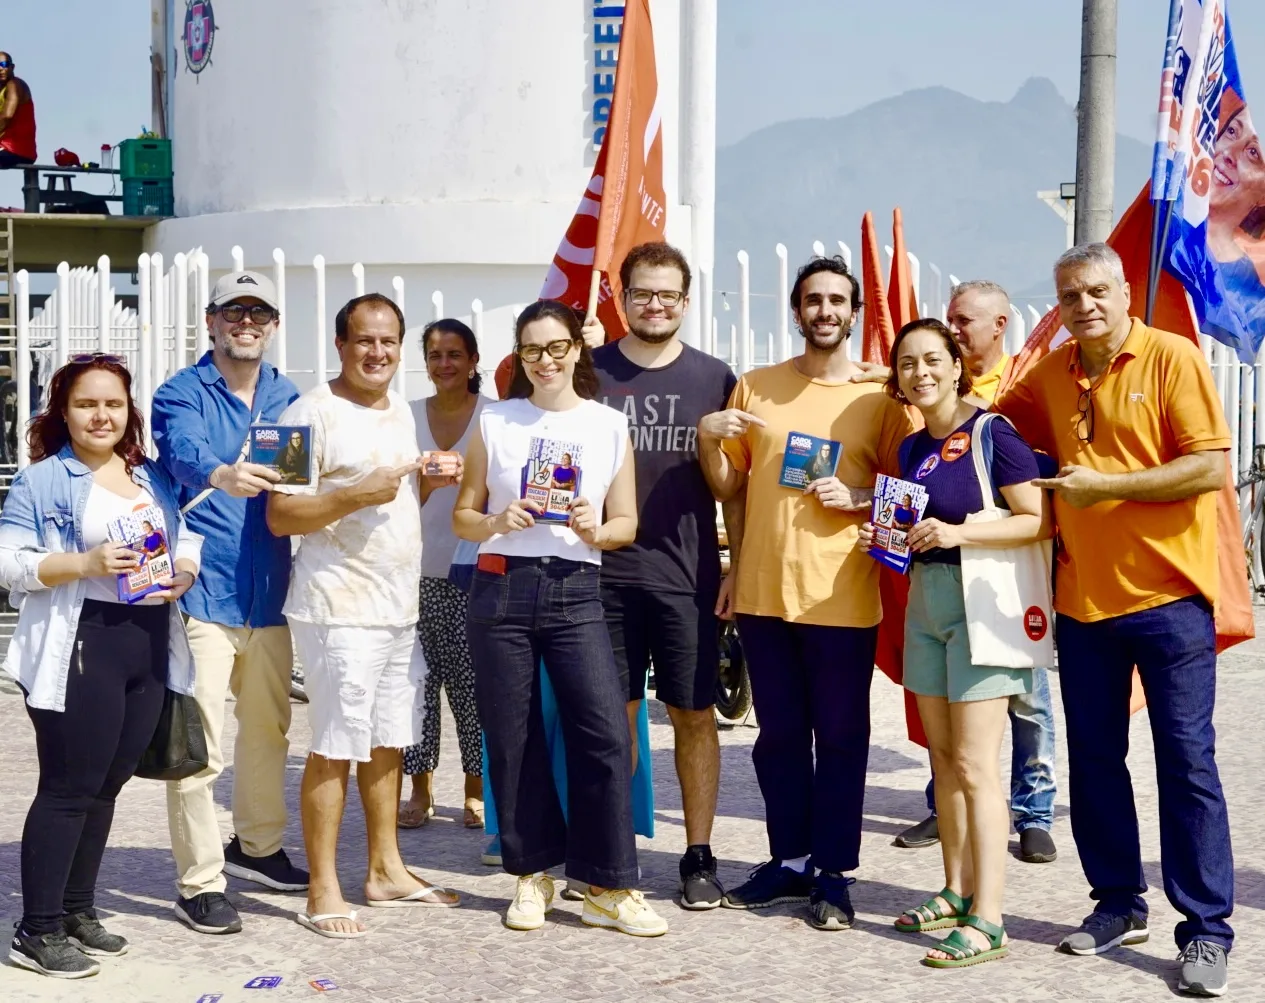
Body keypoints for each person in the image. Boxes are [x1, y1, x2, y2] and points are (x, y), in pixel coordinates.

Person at [997, 243, 1235, 997]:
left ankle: (1203, 930)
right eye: (1069, 296)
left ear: (1124, 290)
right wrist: (901, 389)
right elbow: (993, 427)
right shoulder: (1048, 372)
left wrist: (1108, 488)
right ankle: (1116, 903)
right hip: (1082, 604)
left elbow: (1208, 467)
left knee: (1186, 763)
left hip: (1169, 600)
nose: (1084, 306)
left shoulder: (1169, 357)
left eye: (1096, 291)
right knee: (1094, 764)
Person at [698, 255, 915, 930]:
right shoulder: (754, 388)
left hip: (841, 596)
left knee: (842, 737)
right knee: (780, 738)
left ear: (852, 313)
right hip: (763, 592)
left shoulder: (879, 399)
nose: (824, 311)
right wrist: (707, 440)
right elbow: (728, 487)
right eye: (812, 300)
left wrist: (859, 495)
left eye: (836, 301)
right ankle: (787, 860)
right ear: (796, 311)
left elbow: (912, 497)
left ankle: (833, 873)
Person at [454, 299, 667, 937]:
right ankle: (532, 875)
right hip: (502, 590)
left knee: (603, 734)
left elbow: (627, 522)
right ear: (518, 358)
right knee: (514, 737)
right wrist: (497, 520)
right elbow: (464, 515)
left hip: (578, 590)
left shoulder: (607, 425)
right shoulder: (494, 421)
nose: (544, 361)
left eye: (555, 348)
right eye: (530, 350)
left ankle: (608, 884)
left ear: (577, 348)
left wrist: (596, 529)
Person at [0, 356, 200, 978]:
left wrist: (183, 575)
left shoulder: (150, 477)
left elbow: (186, 536)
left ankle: (77, 909)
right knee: (68, 788)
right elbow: (8, 564)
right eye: (87, 404)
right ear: (63, 411)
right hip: (79, 643)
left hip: (146, 641)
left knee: (108, 787)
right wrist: (84, 564)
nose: (101, 415)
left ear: (128, 410)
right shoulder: (42, 480)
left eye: (113, 403)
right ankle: (36, 929)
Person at [859, 319, 1050, 968]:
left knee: (974, 765)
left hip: (982, 604)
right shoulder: (912, 448)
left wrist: (956, 533)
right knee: (941, 760)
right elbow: (913, 527)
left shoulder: (994, 433)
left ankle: (989, 917)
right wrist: (884, 538)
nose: (921, 372)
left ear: (955, 364)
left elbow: (1033, 520)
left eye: (932, 359)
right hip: (926, 605)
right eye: (907, 362)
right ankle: (953, 888)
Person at [267, 293, 460, 938]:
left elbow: (396, 496)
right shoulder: (302, 414)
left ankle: (386, 869)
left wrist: (429, 477)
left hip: (397, 605)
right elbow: (277, 515)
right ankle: (324, 886)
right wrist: (351, 494)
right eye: (363, 341)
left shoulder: (400, 409)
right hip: (336, 610)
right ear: (340, 345)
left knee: (387, 741)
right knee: (334, 746)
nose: (376, 353)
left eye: (387, 342)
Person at [152, 271, 308, 936]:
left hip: (270, 591)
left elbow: (297, 478)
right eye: (234, 310)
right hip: (203, 588)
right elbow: (183, 453)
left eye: (259, 312)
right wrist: (220, 472)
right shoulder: (180, 391)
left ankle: (258, 844)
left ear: (272, 323)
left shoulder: (287, 392)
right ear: (212, 320)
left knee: (269, 730)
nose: (247, 321)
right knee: (200, 747)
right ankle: (199, 882)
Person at [591, 241, 738, 910]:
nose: (654, 304)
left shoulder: (715, 376)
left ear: (685, 301)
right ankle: (611, 852)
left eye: (667, 295)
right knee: (610, 720)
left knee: (694, 715)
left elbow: (730, 487)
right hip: (602, 576)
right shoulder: (588, 373)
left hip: (688, 575)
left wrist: (736, 564)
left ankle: (697, 854)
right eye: (642, 293)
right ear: (621, 298)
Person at [399, 319, 485, 831]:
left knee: (472, 687)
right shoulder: (405, 418)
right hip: (413, 570)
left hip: (475, 571)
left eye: (455, 354)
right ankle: (420, 788)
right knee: (417, 686)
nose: (445, 364)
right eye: (435, 355)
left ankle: (477, 788)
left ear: (474, 360)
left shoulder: (496, 417)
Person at [0, 52, 36, 168]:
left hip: (16, 150)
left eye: (4, 64)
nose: (1, 69)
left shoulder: (14, 85)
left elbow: (7, 117)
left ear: (12, 67)